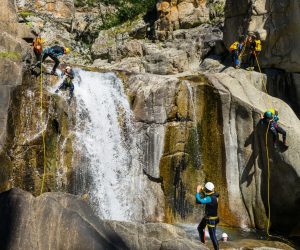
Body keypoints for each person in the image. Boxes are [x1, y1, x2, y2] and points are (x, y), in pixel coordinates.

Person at [196, 182, 219, 250]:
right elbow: (207, 193)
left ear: (207, 190)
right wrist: (202, 189)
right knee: (200, 228)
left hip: (210, 219)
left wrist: (197, 191)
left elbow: (198, 201)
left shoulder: (210, 198)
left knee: (213, 236)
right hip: (208, 217)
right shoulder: (215, 195)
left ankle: (217, 249)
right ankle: (202, 243)